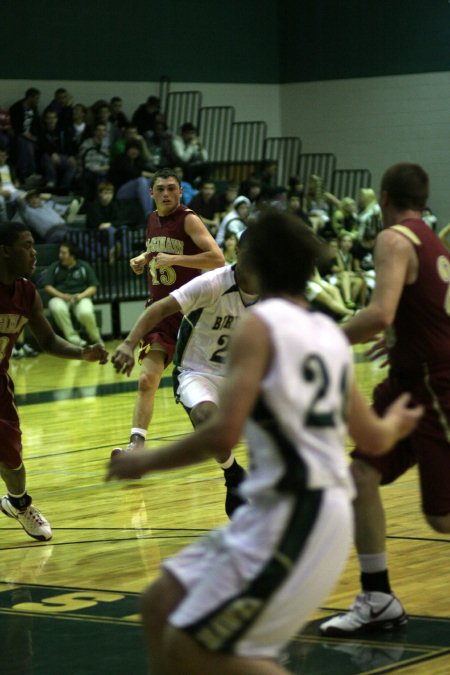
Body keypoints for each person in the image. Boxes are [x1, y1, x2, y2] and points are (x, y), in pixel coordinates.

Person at [107, 209, 422, 675]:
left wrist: (145, 461)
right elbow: (373, 436)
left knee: (196, 647)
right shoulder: (327, 332)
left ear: (259, 259)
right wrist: (397, 421)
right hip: (278, 508)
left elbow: (222, 433)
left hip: (301, 513)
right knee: (159, 602)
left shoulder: (262, 324)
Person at [320, 162, 450, 637]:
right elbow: (416, 310)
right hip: (409, 380)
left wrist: (320, 337)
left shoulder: (394, 238)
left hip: (436, 383)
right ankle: (377, 600)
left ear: (385, 196)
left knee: (441, 517)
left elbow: (378, 313)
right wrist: (401, 334)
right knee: (360, 476)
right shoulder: (430, 239)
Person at [111, 232, 258, 516]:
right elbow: (160, 308)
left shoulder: (275, 292)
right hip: (197, 371)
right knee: (207, 420)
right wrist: (129, 344)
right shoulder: (213, 283)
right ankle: (233, 474)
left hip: (240, 373)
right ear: (238, 251)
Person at [0, 221, 107, 541]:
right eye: (27, 246)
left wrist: (82, 353)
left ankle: (18, 503)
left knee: (12, 457)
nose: (35, 254)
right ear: (5, 252)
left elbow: (47, 341)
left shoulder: (27, 293)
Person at [114, 168, 224, 453]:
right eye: (160, 189)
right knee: (146, 379)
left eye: (171, 188)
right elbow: (159, 252)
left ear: (180, 192)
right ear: (151, 193)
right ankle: (136, 445)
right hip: (160, 315)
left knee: (203, 386)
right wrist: (145, 257)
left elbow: (217, 258)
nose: (166, 193)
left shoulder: (188, 219)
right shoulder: (152, 219)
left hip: (190, 315)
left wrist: (173, 259)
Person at [41, 241, 104, 347]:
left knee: (86, 313)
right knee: (57, 308)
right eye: (60, 253)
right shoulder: (55, 266)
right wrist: (62, 296)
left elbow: (93, 286)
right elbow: (47, 286)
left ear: (72, 256)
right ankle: (73, 339)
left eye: (63, 253)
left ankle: (96, 338)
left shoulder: (84, 266)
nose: (60, 256)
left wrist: (81, 296)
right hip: (60, 297)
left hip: (81, 296)